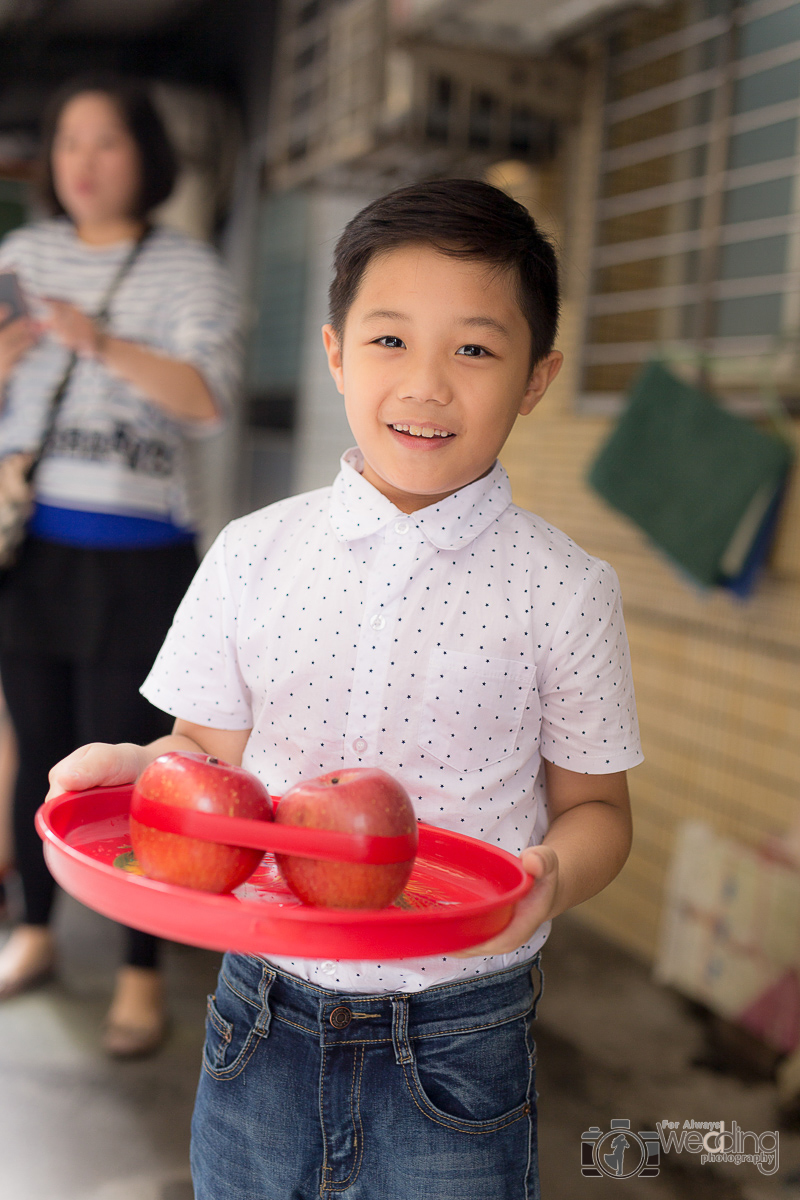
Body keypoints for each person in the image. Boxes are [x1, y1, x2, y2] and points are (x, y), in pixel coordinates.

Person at [48, 180, 642, 1197]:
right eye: (387, 341)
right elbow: (201, 758)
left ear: (535, 380)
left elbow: (595, 810)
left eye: (473, 349)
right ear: (332, 352)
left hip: (458, 1033)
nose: (425, 385)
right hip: (260, 1014)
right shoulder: (252, 552)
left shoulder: (566, 590)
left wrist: (549, 875)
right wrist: (133, 768)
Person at [0, 74, 240, 1057]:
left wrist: (101, 342)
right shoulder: (20, 253)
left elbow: (207, 400)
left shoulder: (192, 271)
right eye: (67, 143)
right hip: (35, 546)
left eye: (105, 141)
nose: (84, 162)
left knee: (144, 773)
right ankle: (34, 933)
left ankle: (141, 974)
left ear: (145, 152)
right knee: (40, 751)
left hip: (144, 558)